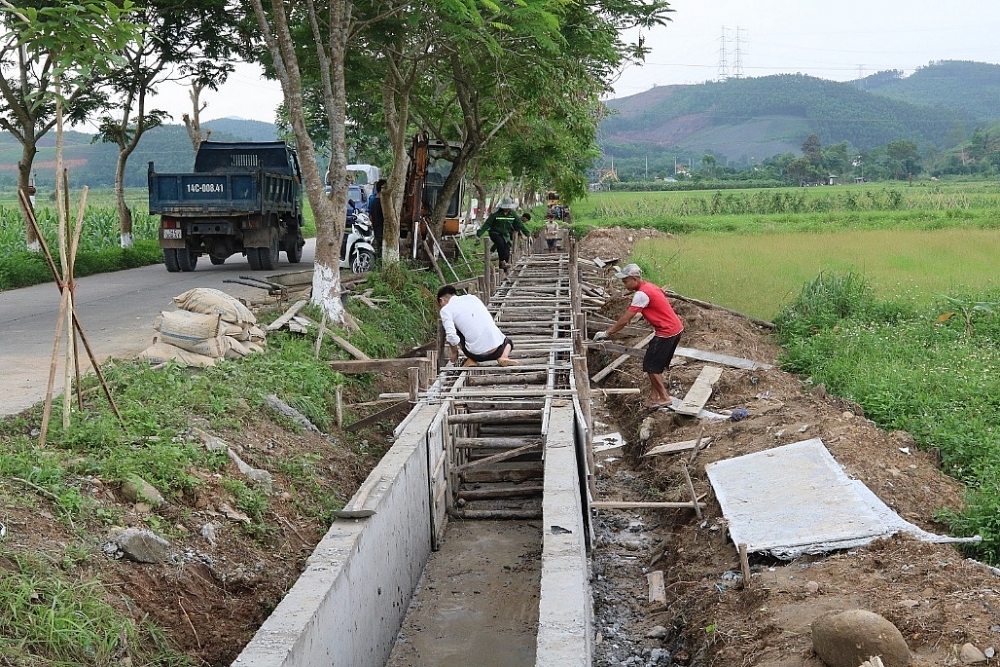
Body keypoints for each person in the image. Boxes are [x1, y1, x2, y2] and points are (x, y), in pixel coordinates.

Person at [594, 264, 683, 409]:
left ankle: (665, 398)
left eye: (626, 281)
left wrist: (607, 333)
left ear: (635, 279)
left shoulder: (641, 294)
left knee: (651, 367)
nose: (624, 285)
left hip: (666, 332)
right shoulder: (651, 287)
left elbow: (625, 320)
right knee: (656, 366)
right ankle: (654, 397)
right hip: (675, 329)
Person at [437, 285, 519, 367]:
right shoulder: (472, 298)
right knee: (508, 342)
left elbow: (451, 335)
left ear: (442, 300)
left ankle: (472, 359)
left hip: (476, 354)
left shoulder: (446, 310)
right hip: (498, 351)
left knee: (455, 329)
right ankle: (504, 357)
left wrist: (454, 352)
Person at [476, 197, 529, 271]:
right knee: (500, 243)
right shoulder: (496, 214)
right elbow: (487, 224)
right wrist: (479, 234)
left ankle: (503, 269)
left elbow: (520, 224)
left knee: (506, 251)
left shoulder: (513, 214)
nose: (506, 209)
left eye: (508, 207)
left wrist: (527, 233)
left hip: (505, 235)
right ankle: (502, 261)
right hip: (495, 233)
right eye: (505, 207)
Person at [368, 178, 386, 254]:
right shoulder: (381, 204)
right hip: (380, 231)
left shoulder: (374, 202)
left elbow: (371, 217)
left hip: (377, 230)